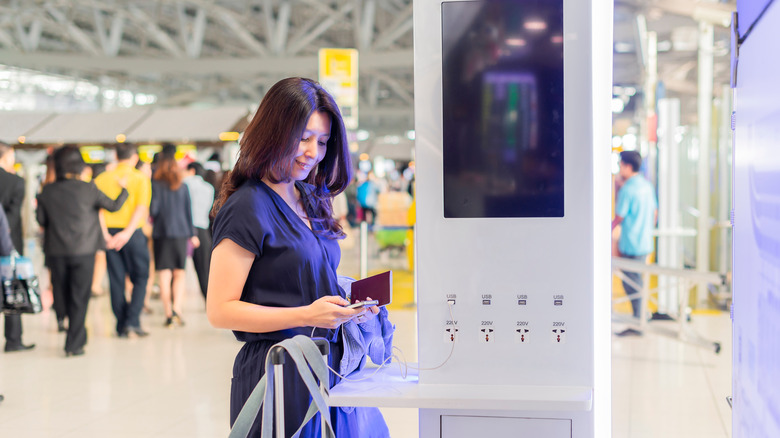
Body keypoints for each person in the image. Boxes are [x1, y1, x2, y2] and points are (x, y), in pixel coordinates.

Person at [207, 78, 384, 437]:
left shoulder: (310, 195)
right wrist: (305, 314)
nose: (312, 152)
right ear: (274, 132)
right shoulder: (248, 206)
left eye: (322, 142)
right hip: (278, 372)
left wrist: (347, 304)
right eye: (303, 138)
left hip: (328, 366)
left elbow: (305, 275)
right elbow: (219, 309)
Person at [36, 145, 129, 356]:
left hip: (56, 250)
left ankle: (65, 319)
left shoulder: (47, 190)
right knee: (80, 295)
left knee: (61, 290)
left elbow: (41, 220)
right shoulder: (88, 188)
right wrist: (124, 190)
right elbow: (114, 206)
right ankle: (74, 343)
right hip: (84, 251)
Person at [95, 143, 152, 338]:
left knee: (116, 279)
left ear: (115, 156)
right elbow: (141, 208)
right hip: (132, 233)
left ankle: (120, 324)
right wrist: (127, 234)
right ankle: (132, 321)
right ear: (134, 157)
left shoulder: (101, 179)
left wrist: (105, 235)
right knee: (141, 276)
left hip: (109, 235)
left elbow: (98, 210)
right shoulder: (140, 178)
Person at [612, 150, 658, 331]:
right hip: (645, 242)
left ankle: (638, 323)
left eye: (620, 165)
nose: (619, 168)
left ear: (627, 166)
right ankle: (640, 317)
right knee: (637, 280)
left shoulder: (628, 189)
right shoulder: (647, 186)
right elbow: (654, 213)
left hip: (631, 243)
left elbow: (619, 217)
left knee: (631, 282)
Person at [150, 154, 198, 327]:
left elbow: (153, 210)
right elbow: (188, 211)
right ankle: (177, 310)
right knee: (179, 273)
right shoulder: (183, 186)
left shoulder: (155, 185)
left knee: (164, 273)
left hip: (161, 234)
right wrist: (192, 233)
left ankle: (168, 313)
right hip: (181, 234)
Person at [0, 141, 34, 353]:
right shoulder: (16, 182)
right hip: (8, 245)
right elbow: (11, 219)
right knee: (12, 289)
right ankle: (13, 340)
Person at [183, 161, 214, 301]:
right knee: (204, 269)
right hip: (203, 230)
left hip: (185, 229)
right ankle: (209, 300)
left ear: (191, 171)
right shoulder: (209, 188)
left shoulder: (186, 183)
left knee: (177, 269)